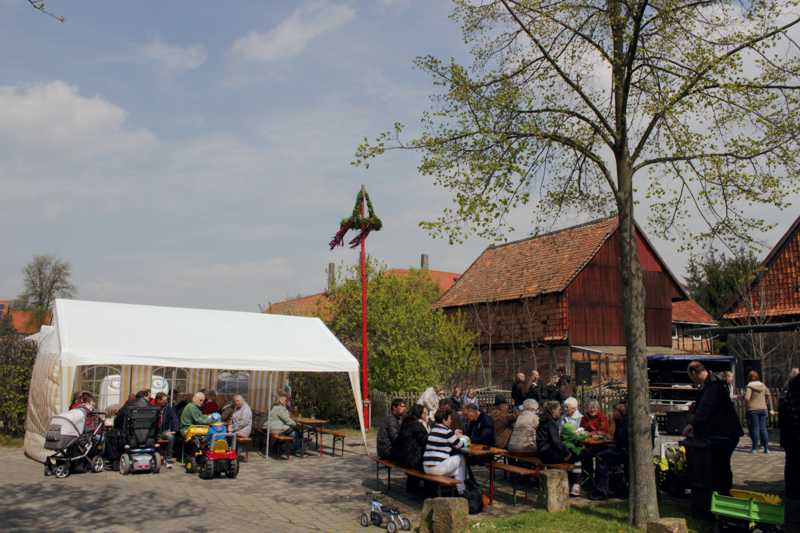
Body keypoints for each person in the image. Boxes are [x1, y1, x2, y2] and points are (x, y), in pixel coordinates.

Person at [683, 361, 743, 514]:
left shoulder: (713, 385)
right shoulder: (710, 384)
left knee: (720, 467)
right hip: (722, 432)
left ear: (694, 373)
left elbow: (706, 409)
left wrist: (692, 425)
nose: (692, 380)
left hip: (724, 433)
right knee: (719, 467)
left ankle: (722, 501)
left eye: (691, 377)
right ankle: (720, 500)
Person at [537, 400, 581, 496]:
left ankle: (570, 483)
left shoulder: (543, 420)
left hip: (542, 453)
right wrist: (567, 453)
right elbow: (556, 442)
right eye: (559, 409)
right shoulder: (550, 422)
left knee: (570, 456)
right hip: (548, 455)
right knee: (577, 457)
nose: (560, 411)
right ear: (553, 410)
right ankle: (575, 486)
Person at [590, 400, 629, 500]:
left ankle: (602, 491)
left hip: (624, 452)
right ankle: (608, 488)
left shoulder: (625, 423)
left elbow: (622, 440)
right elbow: (614, 438)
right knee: (601, 452)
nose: (612, 413)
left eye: (614, 411)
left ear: (620, 412)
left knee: (601, 457)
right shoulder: (618, 422)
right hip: (619, 449)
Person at [423, 405, 466, 494]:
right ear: (444, 420)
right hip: (437, 468)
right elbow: (460, 445)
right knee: (461, 458)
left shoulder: (433, 430)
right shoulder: (447, 431)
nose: (451, 421)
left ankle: (460, 489)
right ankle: (461, 490)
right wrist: (459, 437)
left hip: (427, 468)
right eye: (449, 418)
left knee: (458, 470)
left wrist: (453, 434)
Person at [392, 404, 429, 493]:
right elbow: (426, 441)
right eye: (424, 413)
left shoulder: (407, 421)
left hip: (401, 457)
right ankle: (430, 488)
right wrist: (426, 426)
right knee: (430, 462)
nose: (426, 415)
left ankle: (412, 485)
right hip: (410, 459)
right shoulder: (417, 425)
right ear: (419, 414)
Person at [779, 369, 800, 501]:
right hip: (794, 436)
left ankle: (791, 491)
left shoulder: (786, 395)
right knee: (793, 465)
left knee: (791, 464)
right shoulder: (793, 396)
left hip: (789, 436)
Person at [265, 391, 302, 458]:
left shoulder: (274, 407)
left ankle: (280, 447)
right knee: (297, 430)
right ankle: (297, 448)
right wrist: (296, 424)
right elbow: (287, 420)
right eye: (285, 400)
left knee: (292, 432)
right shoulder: (280, 408)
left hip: (271, 427)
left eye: (286, 401)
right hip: (277, 428)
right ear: (281, 401)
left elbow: (285, 419)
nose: (286, 402)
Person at [745, 370, 774, 454]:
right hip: (763, 409)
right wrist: (766, 403)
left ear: (749, 377)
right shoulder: (763, 385)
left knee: (755, 429)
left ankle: (754, 448)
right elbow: (768, 395)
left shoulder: (749, 386)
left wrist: (748, 404)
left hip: (753, 409)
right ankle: (766, 448)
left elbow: (747, 398)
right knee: (763, 429)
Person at [154, 392, 179, 468]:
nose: (166, 401)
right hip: (154, 431)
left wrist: (174, 430)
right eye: (164, 400)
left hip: (163, 431)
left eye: (166, 400)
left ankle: (168, 460)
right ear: (158, 400)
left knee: (171, 437)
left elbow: (174, 419)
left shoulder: (168, 408)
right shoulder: (153, 407)